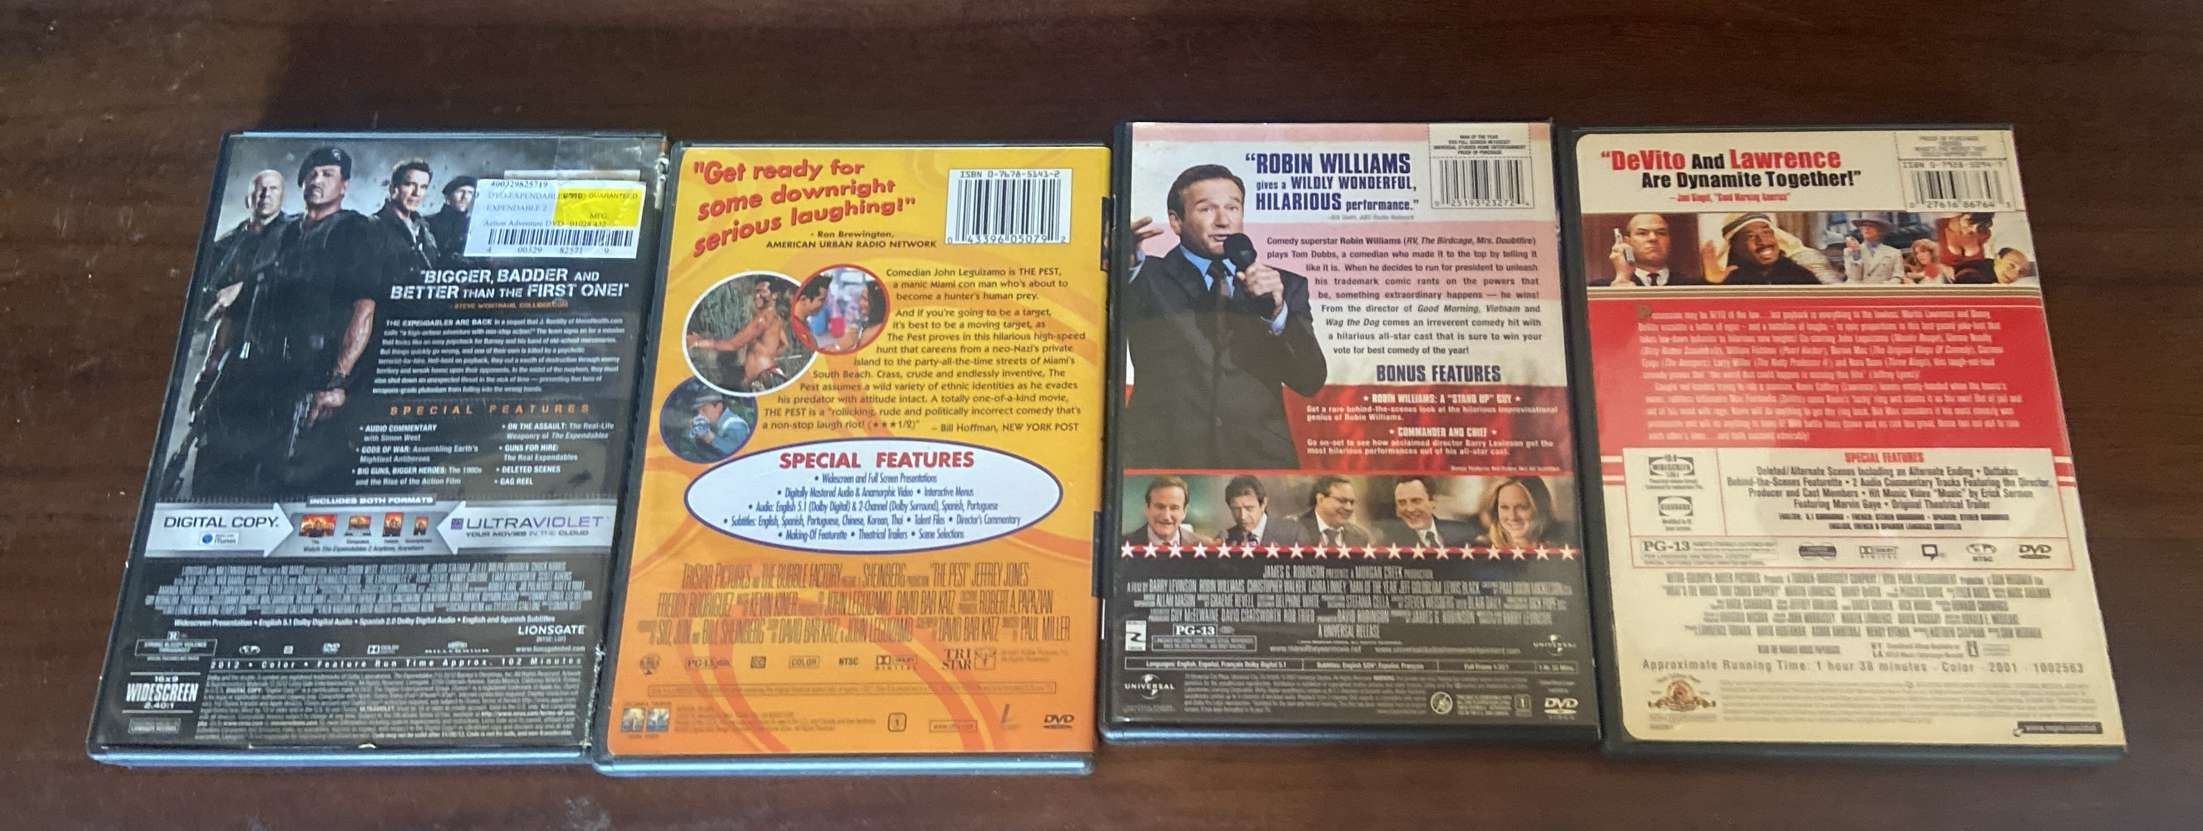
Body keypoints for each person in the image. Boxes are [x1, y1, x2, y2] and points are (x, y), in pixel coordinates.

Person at [181, 146, 384, 498]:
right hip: (247, 373)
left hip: (306, 375)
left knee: (279, 485)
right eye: (311, 174)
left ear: (345, 185)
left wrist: (337, 381)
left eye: (328, 174)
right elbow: (238, 309)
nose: (317, 180)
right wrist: (211, 367)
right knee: (215, 474)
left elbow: (363, 309)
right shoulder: (280, 232)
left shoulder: (353, 230)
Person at [1120, 164, 1328, 470]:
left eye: (1233, 207)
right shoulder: (1145, 276)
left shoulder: (1284, 285)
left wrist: (1276, 314)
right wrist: (1122, 265)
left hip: (1261, 461)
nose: (1223, 220)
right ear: (1176, 221)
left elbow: (1309, 381)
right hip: (1164, 458)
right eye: (1206, 209)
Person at [687, 278, 825, 392]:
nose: (756, 296)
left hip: (761, 378)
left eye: (762, 292)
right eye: (756, 292)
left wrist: (699, 342)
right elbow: (784, 344)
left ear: (774, 295)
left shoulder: (762, 319)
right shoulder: (776, 317)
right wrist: (767, 354)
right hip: (769, 373)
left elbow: (732, 345)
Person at [1700, 213, 1839, 285]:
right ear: (1735, 246)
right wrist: (1712, 284)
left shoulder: (1799, 274)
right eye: (1750, 236)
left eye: (1766, 232)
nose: (1763, 241)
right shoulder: (1727, 280)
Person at [373, 159, 440, 277]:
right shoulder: (372, 228)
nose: (417, 193)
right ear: (393, 189)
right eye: (410, 184)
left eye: (423, 187)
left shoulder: (425, 230)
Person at [1376, 476, 1477, 548]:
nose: (1410, 509)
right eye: (1402, 503)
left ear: (1433, 502)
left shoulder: (1464, 532)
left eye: (1416, 501)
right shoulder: (1387, 541)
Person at [1473, 477, 1573, 549]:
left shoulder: (1565, 547)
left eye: (1522, 507)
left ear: (1540, 508)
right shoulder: (1478, 549)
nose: (1512, 517)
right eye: (1504, 507)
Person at [1603, 214, 1700, 286]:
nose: (1653, 238)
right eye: (1642, 233)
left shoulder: (1696, 285)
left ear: (1669, 240)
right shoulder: (1602, 287)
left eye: (1661, 233)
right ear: (1627, 242)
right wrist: (1623, 278)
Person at [1218, 474, 1306, 547]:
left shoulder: (1294, 533)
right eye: (1236, 509)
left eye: (1249, 508)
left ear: (1263, 504)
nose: (1242, 516)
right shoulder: (1224, 539)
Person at [1125, 475, 1211, 548]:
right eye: (1160, 507)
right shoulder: (1123, 544)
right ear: (1147, 508)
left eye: (1174, 508)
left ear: (1184, 512)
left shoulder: (1205, 546)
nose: (1166, 516)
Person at [1293, 475, 1373, 548]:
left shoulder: (1361, 537)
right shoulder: (1293, 530)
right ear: (1320, 499)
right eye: (1342, 501)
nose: (1349, 508)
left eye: (1351, 502)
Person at [425, 175, 475, 264]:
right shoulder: (428, 223)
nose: (465, 197)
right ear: (448, 196)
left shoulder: (473, 225)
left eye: (470, 193)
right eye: (460, 191)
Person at [1841, 213, 1903, 283]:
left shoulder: (1894, 253)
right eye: (1864, 225)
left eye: (1871, 225)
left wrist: (1885, 286)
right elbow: (1853, 278)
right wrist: (1856, 253)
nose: (1866, 228)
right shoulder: (1850, 251)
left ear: (1880, 229)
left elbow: (1898, 276)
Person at [687, 391, 751, 458]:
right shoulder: (716, 425)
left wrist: (710, 437)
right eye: (698, 412)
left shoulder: (735, 425)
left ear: (718, 406)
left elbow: (739, 453)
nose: (700, 415)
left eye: (704, 410)